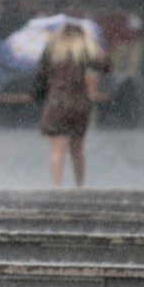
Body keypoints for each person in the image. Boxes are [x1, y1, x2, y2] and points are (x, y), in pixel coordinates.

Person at [31, 24, 109, 187]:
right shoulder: (85, 52)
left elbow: (40, 78)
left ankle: (57, 186)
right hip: (79, 104)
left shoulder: (52, 52)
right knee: (77, 149)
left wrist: (38, 96)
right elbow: (106, 67)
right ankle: (79, 185)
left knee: (57, 149)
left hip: (57, 104)